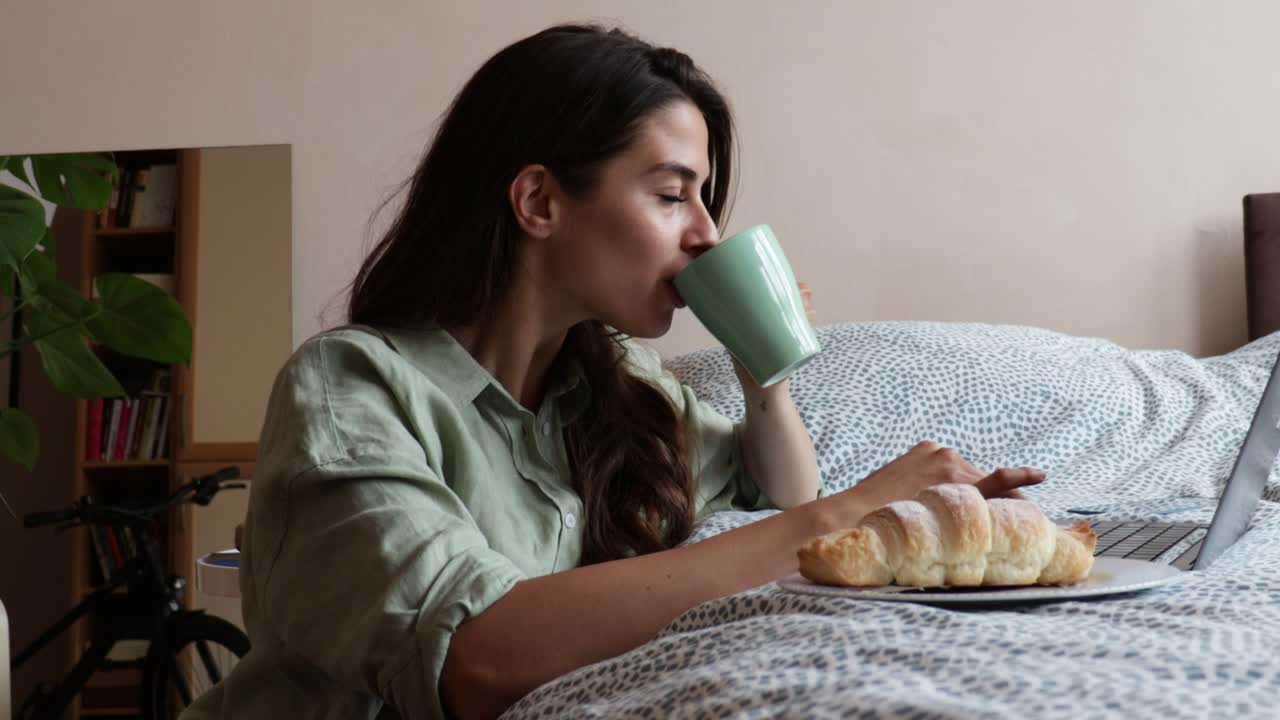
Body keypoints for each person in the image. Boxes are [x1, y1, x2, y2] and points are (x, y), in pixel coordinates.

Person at [180, 23, 1044, 720]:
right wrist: (854, 508)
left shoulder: (614, 385)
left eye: (705, 198)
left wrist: (764, 379)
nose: (706, 234)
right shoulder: (353, 387)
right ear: (540, 203)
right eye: (673, 195)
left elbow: (768, 495)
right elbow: (478, 661)